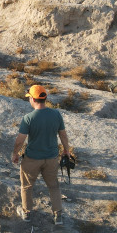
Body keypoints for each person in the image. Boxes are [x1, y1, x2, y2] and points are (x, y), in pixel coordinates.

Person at [11, 85, 71, 225]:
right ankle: (58, 215)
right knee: (54, 186)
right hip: (51, 158)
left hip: (32, 158)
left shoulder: (28, 118)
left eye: (29, 98)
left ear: (32, 99)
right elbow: (63, 135)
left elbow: (20, 140)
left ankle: (27, 213)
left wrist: (15, 153)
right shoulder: (56, 114)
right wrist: (66, 150)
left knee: (27, 186)